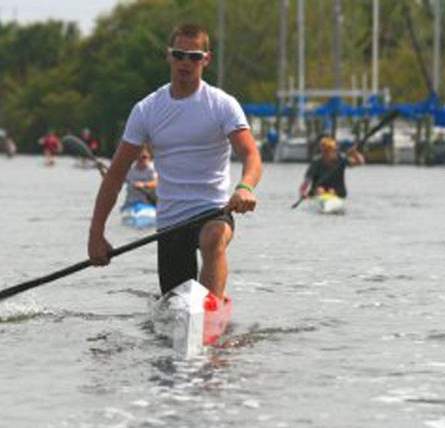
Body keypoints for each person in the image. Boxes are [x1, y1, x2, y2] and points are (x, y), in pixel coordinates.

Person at [88, 23, 261, 302]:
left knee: (213, 239)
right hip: (170, 222)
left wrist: (245, 188)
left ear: (206, 59)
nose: (185, 62)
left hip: (214, 211)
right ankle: (199, 308)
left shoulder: (222, 105)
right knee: (174, 305)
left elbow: (251, 154)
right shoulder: (146, 110)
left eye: (194, 57)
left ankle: (210, 309)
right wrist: (96, 234)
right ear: (168, 56)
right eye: (179, 54)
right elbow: (115, 175)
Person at [298, 136, 364, 199]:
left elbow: (360, 162)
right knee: (320, 190)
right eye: (324, 150)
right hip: (318, 192)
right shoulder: (316, 163)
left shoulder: (341, 159)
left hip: (338, 192)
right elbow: (305, 183)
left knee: (331, 191)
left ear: (334, 150)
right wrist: (302, 193)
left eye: (328, 150)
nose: (325, 153)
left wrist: (354, 152)